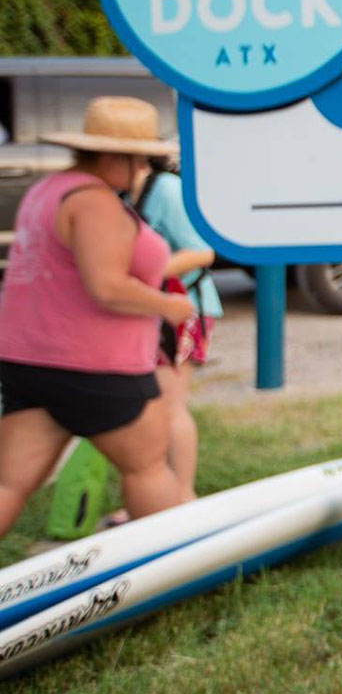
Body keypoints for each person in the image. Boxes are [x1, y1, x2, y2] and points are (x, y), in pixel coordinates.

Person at [0, 97, 193, 538]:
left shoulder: (46, 191)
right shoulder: (94, 203)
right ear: (113, 157)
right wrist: (171, 307)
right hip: (99, 367)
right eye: (140, 161)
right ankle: (164, 569)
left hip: (29, 361)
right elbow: (106, 286)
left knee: (9, 483)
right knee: (148, 467)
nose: (143, 171)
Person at [134, 155, 221, 499]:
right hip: (150, 310)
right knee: (152, 408)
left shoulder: (166, 190)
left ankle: (183, 497)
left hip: (183, 310)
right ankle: (159, 496)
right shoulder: (122, 194)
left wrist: (144, 273)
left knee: (170, 406)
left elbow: (202, 251)